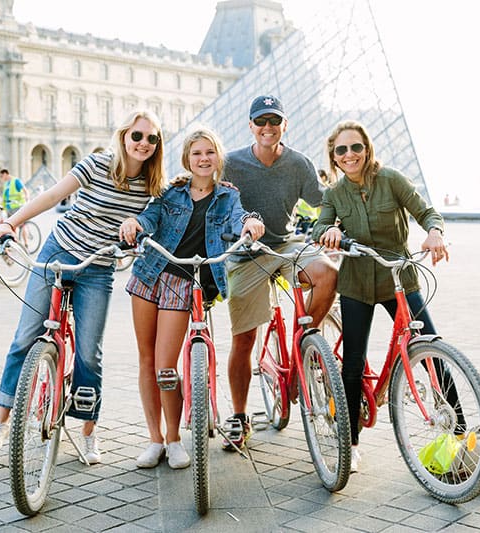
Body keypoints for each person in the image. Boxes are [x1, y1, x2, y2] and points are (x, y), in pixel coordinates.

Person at [0, 110, 166, 465]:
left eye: (151, 138)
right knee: (24, 337)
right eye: (137, 136)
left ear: (158, 145)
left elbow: (166, 211)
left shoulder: (152, 186)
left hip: (98, 268)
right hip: (58, 253)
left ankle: (89, 432)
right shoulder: (96, 165)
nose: (143, 144)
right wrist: (9, 223)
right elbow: (52, 196)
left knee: (89, 353)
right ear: (124, 135)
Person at [119, 127, 265, 469]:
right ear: (187, 158)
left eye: (209, 153)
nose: (203, 159)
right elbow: (149, 216)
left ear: (218, 158)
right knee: (146, 360)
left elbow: (237, 216)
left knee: (164, 366)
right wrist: (134, 223)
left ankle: (174, 439)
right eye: (197, 153)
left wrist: (250, 224)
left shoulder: (227, 196)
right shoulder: (171, 192)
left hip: (183, 282)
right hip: (148, 274)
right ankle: (155, 440)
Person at [311, 120, 449, 473]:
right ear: (334, 157)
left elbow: (426, 211)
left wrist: (434, 233)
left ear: (366, 148)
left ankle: (460, 430)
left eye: (355, 147)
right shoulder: (334, 194)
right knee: (353, 362)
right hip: (356, 283)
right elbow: (320, 224)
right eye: (341, 150)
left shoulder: (391, 180)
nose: (349, 154)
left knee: (433, 348)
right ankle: (351, 441)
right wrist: (328, 232)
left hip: (399, 278)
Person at [221, 95, 338, 450]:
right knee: (244, 341)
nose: (268, 128)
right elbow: (207, 192)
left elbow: (325, 203)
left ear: (285, 125)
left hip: (285, 246)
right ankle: (240, 417)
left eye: (275, 121)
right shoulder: (231, 163)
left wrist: (335, 225)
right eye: (261, 122)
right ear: (251, 126)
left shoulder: (298, 164)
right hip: (245, 254)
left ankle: (303, 343)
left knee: (328, 273)